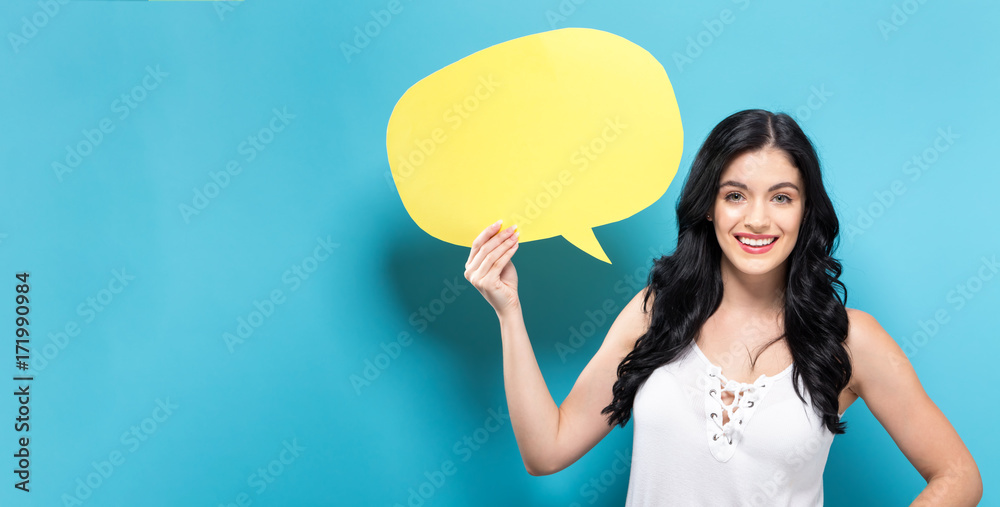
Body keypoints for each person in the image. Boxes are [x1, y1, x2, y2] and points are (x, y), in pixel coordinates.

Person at [462, 109, 982, 506]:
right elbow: (546, 450)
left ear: (806, 211)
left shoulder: (851, 340)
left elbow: (959, 476)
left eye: (781, 197)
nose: (758, 219)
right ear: (709, 207)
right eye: (736, 195)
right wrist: (509, 312)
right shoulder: (655, 313)